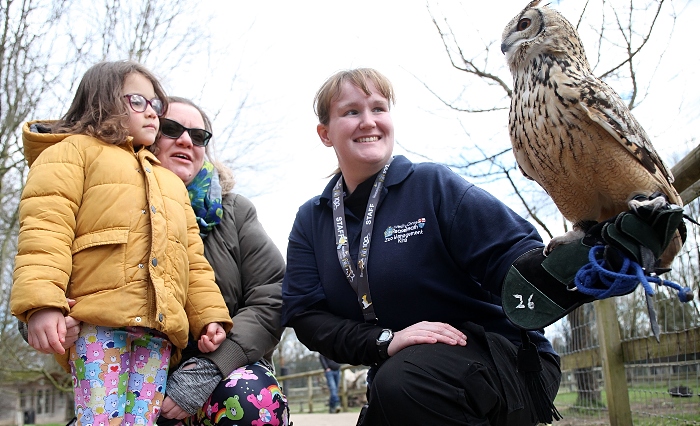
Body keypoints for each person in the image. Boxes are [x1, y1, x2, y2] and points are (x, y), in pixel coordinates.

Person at [10, 61, 233, 426]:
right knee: (100, 419)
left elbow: (192, 261)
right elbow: (45, 231)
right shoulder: (70, 153)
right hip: (98, 321)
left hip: (158, 330)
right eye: (138, 101)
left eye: (156, 105)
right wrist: (42, 305)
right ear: (103, 101)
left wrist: (209, 316)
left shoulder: (170, 183)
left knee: (141, 421)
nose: (152, 113)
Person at [140, 97, 289, 425]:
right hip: (130, 371)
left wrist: (209, 368)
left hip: (224, 374)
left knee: (252, 401)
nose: (185, 141)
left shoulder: (235, 212)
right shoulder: (111, 203)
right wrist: (50, 319)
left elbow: (273, 295)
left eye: (198, 135)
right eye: (171, 129)